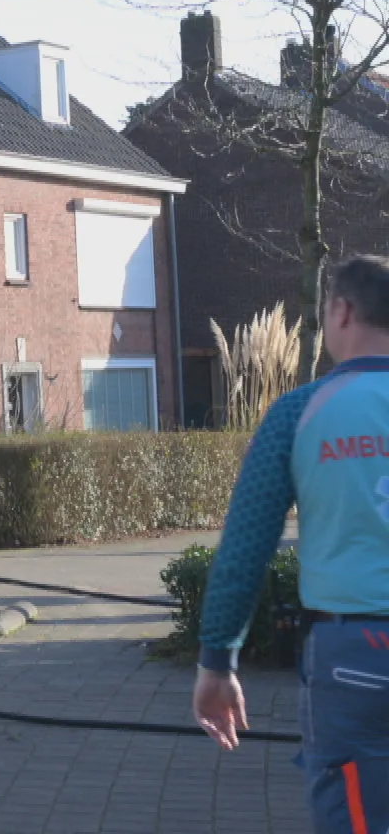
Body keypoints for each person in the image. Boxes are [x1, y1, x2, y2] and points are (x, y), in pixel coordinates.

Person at [193, 256, 389, 832]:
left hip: (352, 655)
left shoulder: (298, 414)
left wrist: (217, 661)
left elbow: (245, 546)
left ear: (342, 310)